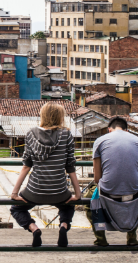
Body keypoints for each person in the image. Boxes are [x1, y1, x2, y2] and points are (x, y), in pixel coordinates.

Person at [10, 102, 81, 247]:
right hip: (59, 190)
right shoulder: (66, 134)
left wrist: (15, 193)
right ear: (60, 117)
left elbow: (26, 166)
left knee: (16, 208)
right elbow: (70, 166)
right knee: (68, 206)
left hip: (34, 190)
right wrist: (78, 193)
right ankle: (63, 226)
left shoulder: (30, 134)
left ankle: (34, 228)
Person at [85, 116, 138, 246]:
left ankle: (100, 239)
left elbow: (97, 179)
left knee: (88, 200)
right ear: (127, 130)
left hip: (108, 193)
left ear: (109, 130)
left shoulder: (100, 141)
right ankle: (132, 237)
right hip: (134, 194)